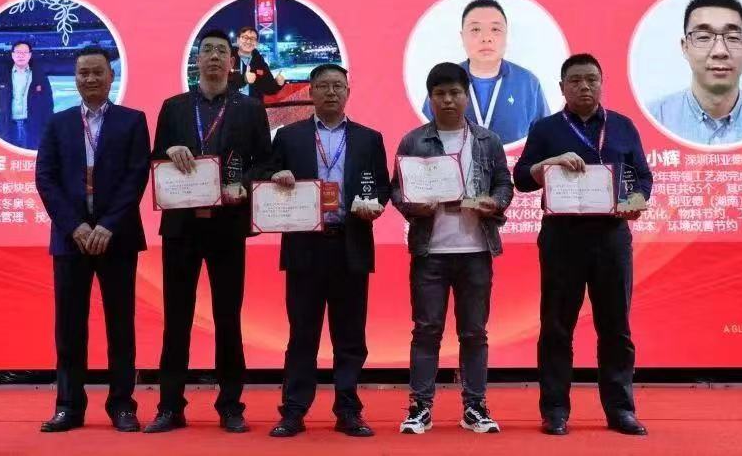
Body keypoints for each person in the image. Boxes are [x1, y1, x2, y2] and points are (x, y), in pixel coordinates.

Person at [513, 53, 652, 436]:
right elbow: (521, 178)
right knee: (557, 327)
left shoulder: (622, 126)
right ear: (562, 87)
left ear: (602, 82)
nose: (584, 86)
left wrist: (637, 200)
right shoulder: (545, 129)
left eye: (592, 79)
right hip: (563, 239)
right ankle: (555, 410)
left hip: (612, 238)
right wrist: (548, 164)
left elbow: (642, 176)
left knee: (616, 328)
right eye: (575, 81)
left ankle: (620, 410)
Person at [145, 28, 272, 434]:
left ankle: (231, 405)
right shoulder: (174, 107)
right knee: (177, 318)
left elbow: (265, 162)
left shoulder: (249, 109)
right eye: (207, 51)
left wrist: (244, 184)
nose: (214, 57)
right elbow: (155, 159)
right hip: (181, 227)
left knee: (228, 317)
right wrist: (168, 151)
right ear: (197, 60)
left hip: (228, 226)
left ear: (232, 62)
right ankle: (170, 406)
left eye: (221, 51)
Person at [257, 64, 390, 439]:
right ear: (310, 92)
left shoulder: (369, 138)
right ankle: (293, 411)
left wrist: (376, 205)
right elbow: (266, 177)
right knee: (302, 334)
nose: (331, 92)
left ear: (348, 92)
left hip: (351, 243)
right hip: (305, 246)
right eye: (323, 86)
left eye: (338, 86)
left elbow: (382, 186)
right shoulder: (289, 136)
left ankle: (348, 410)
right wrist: (275, 177)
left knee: (350, 336)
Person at [393, 62, 514, 435]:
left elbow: (504, 183)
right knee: (426, 330)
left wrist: (495, 202)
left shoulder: (487, 140)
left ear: (466, 95)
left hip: (476, 250)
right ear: (430, 98)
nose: (448, 99)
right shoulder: (413, 141)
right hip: (430, 251)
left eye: (455, 92)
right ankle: (420, 407)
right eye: (440, 93)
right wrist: (414, 206)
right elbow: (396, 189)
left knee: (474, 332)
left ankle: (475, 407)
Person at [34, 46, 151, 433]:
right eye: (83, 73)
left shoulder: (132, 121)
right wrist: (76, 227)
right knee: (69, 327)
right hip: (72, 240)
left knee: (121, 325)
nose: (90, 79)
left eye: (97, 72)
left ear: (111, 76)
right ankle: (68, 406)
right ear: (75, 78)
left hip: (117, 238)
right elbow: (45, 179)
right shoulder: (58, 123)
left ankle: (122, 405)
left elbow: (136, 177)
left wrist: (108, 225)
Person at [647, 0, 742, 145]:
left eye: (732, 38)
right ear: (685, 47)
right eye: (704, 37)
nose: (720, 51)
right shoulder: (655, 118)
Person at [421, 0, 550, 144]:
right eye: (476, 29)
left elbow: (544, 137)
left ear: (506, 35)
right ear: (462, 37)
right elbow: (426, 136)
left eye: (495, 29)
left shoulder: (528, 83)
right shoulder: (443, 79)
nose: (486, 38)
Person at [0, 40, 54, 149]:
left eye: (25, 52)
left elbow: (48, 105)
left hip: (32, 129)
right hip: (7, 128)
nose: (21, 55)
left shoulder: (40, 77)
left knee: (31, 158)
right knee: (8, 158)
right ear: (12, 55)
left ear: (30, 55)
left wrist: (49, 130)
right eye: (18, 52)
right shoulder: (1, 77)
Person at [227, 26, 286, 100]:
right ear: (238, 40)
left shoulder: (259, 62)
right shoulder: (226, 59)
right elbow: (219, 86)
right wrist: (243, 79)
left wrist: (278, 84)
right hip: (231, 105)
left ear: (257, 43)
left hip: (255, 106)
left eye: (253, 39)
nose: (249, 41)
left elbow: (269, 89)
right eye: (245, 37)